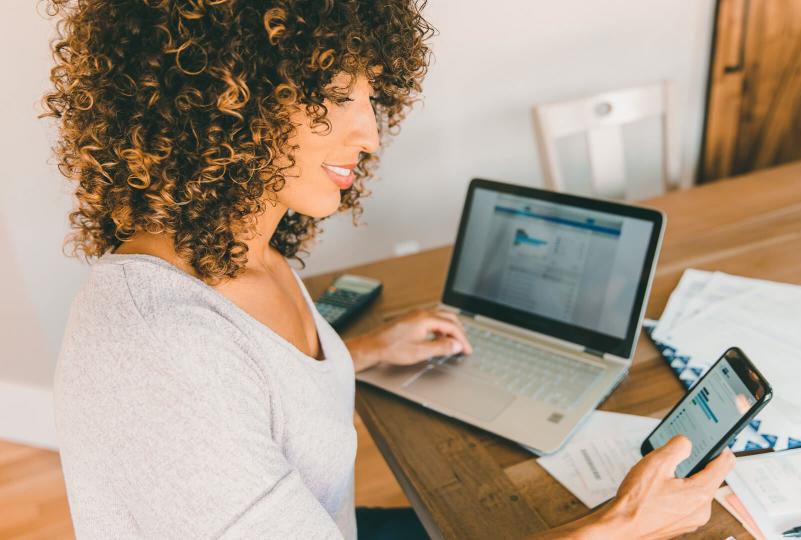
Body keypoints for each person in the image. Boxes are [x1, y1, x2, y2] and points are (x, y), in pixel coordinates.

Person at [44, 1, 735, 538]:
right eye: (339, 96)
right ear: (225, 95)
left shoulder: (242, 251)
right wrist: (623, 526)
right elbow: (213, 387)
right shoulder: (160, 353)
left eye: (372, 98)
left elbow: (259, 391)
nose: (371, 135)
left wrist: (363, 352)